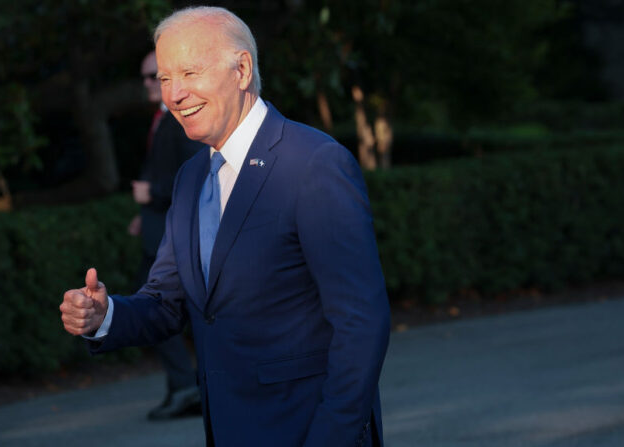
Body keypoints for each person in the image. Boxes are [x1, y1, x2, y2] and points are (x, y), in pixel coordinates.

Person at [60, 6, 391, 446]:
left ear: (241, 70)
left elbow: (361, 323)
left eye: (190, 73)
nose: (174, 94)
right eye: (164, 78)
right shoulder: (191, 177)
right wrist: (105, 316)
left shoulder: (313, 164)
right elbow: (166, 302)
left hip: (309, 430)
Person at [128, 50, 204, 420]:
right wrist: (143, 214)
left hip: (170, 233)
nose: (147, 84)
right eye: (145, 77)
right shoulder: (162, 119)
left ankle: (188, 386)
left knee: (154, 309)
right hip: (157, 228)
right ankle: (184, 387)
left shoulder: (179, 121)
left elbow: (191, 174)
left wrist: (152, 194)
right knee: (157, 308)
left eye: (153, 77)